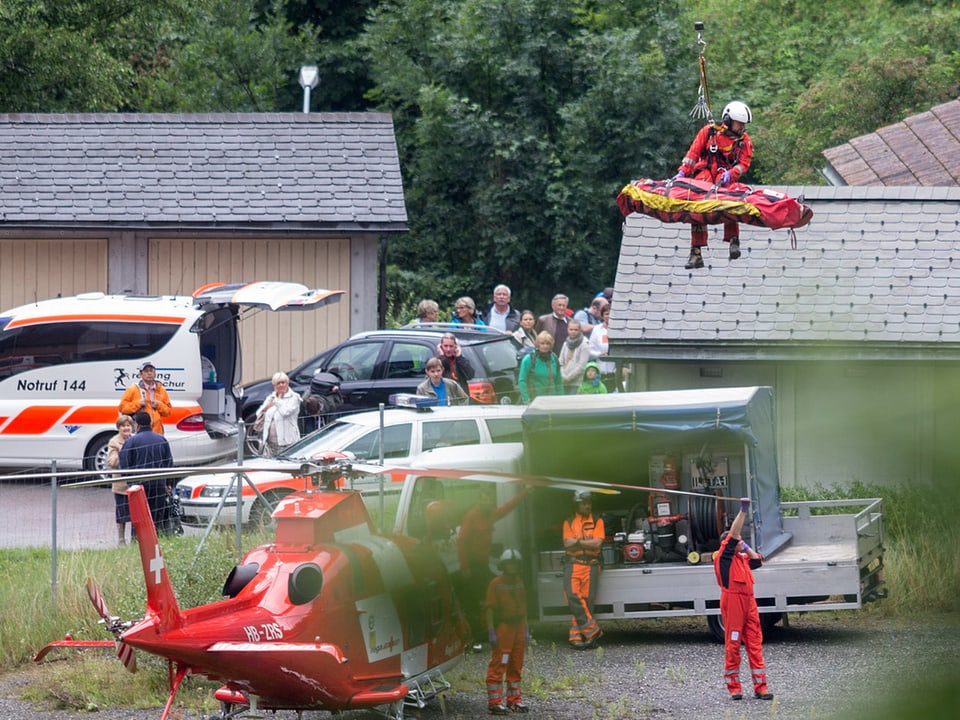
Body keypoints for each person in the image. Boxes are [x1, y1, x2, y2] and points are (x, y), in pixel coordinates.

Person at [673, 101, 754, 269]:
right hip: (705, 173)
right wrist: (682, 171)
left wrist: (731, 174)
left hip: (724, 176)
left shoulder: (744, 141)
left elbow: (744, 163)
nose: (742, 127)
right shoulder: (709, 132)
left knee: (730, 200)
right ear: (728, 119)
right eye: (739, 123)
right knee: (698, 203)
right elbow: (693, 154)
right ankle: (696, 252)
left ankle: (734, 240)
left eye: (743, 124)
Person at [713, 497, 774, 701]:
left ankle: (761, 687)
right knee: (733, 645)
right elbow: (734, 533)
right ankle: (734, 687)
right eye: (738, 541)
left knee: (755, 644)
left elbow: (757, 561)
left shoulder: (742, 559)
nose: (741, 541)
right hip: (733, 603)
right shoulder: (724, 558)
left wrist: (745, 547)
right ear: (728, 543)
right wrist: (743, 510)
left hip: (749, 604)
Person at [458, 486, 527, 652]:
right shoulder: (471, 517)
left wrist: (524, 493)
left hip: (483, 564)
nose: (486, 503)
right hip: (473, 566)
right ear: (478, 501)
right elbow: (461, 542)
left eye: (489, 501)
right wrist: (465, 567)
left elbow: (507, 508)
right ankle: (474, 639)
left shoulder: (491, 514)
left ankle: (490, 632)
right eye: (483, 500)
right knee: (475, 602)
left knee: (488, 599)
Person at [485, 549, 530, 715]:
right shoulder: (495, 583)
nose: (512, 566)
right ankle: (494, 702)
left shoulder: (519, 582)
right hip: (504, 629)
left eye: (515, 563)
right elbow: (489, 608)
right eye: (510, 563)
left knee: (516, 664)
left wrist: (526, 629)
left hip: (518, 628)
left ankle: (514, 700)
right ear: (503, 565)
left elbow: (524, 607)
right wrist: (491, 630)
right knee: (500, 663)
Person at [562, 490, 605, 649]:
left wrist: (577, 541)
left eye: (589, 503)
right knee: (572, 596)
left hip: (592, 565)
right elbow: (567, 543)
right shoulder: (569, 521)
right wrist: (586, 542)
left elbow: (597, 544)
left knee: (586, 602)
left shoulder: (598, 520)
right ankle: (593, 632)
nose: (587, 506)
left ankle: (577, 637)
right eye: (584, 503)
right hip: (573, 564)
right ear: (577, 504)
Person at [119, 410, 174, 530]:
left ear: (136, 424)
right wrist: (169, 483)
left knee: (139, 519)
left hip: (138, 485)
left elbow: (124, 463)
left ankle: (138, 542)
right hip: (159, 484)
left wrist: (129, 482)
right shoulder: (161, 439)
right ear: (151, 423)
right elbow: (169, 463)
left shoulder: (131, 442)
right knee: (157, 518)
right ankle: (157, 541)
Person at [254, 372, 302, 457]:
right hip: (270, 443)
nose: (280, 385)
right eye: (278, 383)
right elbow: (259, 413)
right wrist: (266, 407)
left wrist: (278, 401)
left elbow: (285, 412)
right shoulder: (271, 397)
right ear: (274, 386)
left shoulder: (294, 398)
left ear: (287, 384)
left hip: (287, 442)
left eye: (283, 383)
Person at [118, 360, 172, 434]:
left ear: (155, 373)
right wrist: (138, 404)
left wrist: (159, 405)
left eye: (151, 371)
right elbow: (122, 408)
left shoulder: (161, 390)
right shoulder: (133, 389)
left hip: (157, 432)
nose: (149, 373)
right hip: (139, 432)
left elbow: (168, 411)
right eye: (146, 371)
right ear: (140, 374)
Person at [106, 414, 135, 545]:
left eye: (128, 425)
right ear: (119, 428)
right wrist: (122, 451)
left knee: (136, 514)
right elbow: (112, 463)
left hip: (134, 484)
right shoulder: (114, 442)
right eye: (123, 426)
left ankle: (135, 539)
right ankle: (121, 539)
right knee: (121, 514)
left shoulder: (135, 439)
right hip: (120, 485)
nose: (126, 428)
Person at [517, 331, 563, 403]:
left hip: (552, 400)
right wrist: (526, 400)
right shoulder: (529, 359)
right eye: (542, 343)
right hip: (534, 400)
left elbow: (558, 381)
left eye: (548, 344)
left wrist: (561, 399)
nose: (545, 346)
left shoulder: (554, 358)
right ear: (538, 345)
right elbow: (522, 381)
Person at [587, 304, 616, 392]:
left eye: (611, 314)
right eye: (607, 314)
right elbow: (590, 351)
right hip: (599, 372)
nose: (609, 316)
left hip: (614, 372)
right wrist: (599, 354)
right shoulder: (596, 329)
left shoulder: (619, 330)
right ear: (602, 315)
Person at [558, 320, 591, 394]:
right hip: (563, 380)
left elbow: (581, 366)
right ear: (568, 330)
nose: (573, 332)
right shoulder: (566, 344)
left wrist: (568, 378)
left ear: (580, 330)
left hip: (576, 383)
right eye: (571, 329)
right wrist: (563, 375)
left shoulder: (584, 345)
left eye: (575, 330)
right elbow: (560, 362)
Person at [438, 332, 475, 397]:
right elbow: (437, 373)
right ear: (441, 346)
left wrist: (459, 357)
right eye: (445, 346)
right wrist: (442, 357)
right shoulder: (436, 360)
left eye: (451, 346)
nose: (448, 349)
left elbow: (470, 375)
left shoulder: (460, 360)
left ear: (456, 346)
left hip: (460, 396)